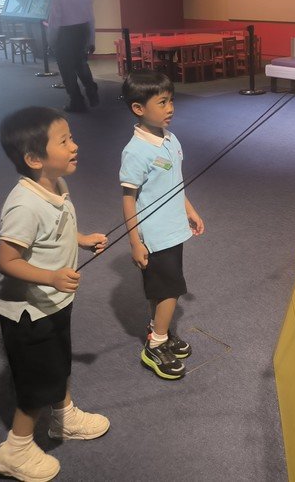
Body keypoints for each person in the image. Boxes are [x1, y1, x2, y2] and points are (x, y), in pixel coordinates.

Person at [0, 106, 110, 481]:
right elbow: (6, 260)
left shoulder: (55, 186)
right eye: (64, 141)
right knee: (35, 384)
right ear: (34, 158)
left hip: (53, 303)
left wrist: (81, 239)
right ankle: (15, 450)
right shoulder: (24, 205)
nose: (75, 146)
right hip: (28, 313)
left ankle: (64, 418)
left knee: (58, 363)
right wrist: (51, 277)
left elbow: (56, 231)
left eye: (71, 137)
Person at [119, 70, 205, 380]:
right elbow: (128, 200)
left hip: (173, 229)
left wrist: (190, 211)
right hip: (155, 235)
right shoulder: (135, 151)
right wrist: (135, 242)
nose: (170, 108)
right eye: (162, 102)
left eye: (171, 101)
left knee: (161, 288)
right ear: (138, 108)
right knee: (171, 290)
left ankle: (160, 330)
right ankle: (155, 344)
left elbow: (174, 184)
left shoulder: (170, 138)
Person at [47, 0, 99, 113]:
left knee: (67, 69)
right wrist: (91, 40)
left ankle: (77, 101)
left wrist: (51, 40)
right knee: (81, 63)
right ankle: (91, 88)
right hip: (82, 32)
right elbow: (91, 19)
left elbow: (55, 20)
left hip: (65, 34)